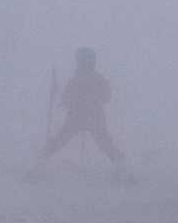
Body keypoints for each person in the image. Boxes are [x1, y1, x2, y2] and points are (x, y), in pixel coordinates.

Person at [38, 47, 127, 175]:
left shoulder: (80, 80)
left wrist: (77, 101)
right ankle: (122, 165)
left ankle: (40, 160)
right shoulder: (91, 79)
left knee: (62, 140)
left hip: (84, 117)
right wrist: (84, 100)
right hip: (87, 117)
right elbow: (105, 96)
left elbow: (104, 96)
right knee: (104, 143)